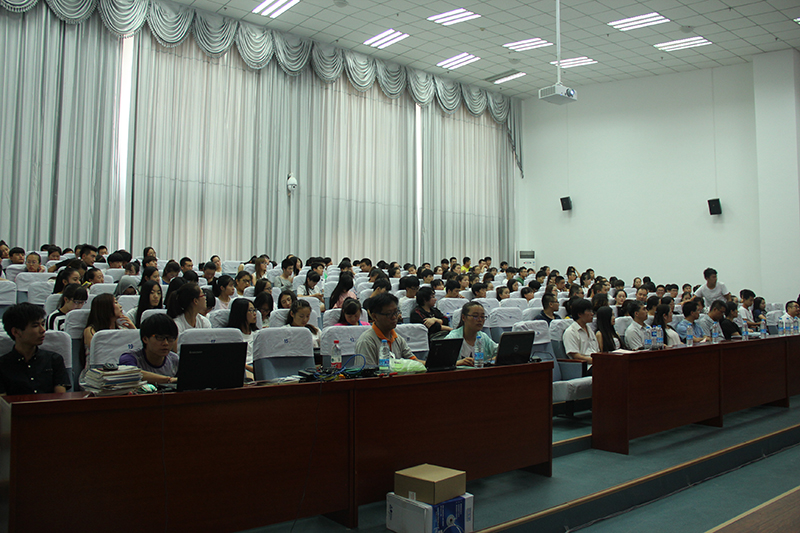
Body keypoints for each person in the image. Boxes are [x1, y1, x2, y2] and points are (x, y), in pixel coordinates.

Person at [0, 303, 71, 395]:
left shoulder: (54, 360)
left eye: (42, 324)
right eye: (35, 326)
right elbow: (3, 401)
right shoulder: (3, 365)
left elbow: (60, 399)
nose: (43, 330)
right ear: (16, 332)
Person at [82, 294, 136, 379]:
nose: (120, 306)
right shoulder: (91, 331)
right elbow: (102, 354)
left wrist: (133, 329)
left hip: (122, 371)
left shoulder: (122, 329)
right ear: (105, 307)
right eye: (116, 303)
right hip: (97, 374)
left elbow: (136, 349)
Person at [354, 293, 415, 365]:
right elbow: (366, 371)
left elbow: (414, 361)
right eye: (389, 314)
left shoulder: (398, 339)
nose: (394, 317)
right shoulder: (366, 342)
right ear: (374, 316)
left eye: (396, 312)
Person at [119, 314, 179, 385]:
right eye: (160, 338)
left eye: (170, 338)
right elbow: (132, 373)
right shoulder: (130, 358)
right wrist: (169, 380)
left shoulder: (174, 360)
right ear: (145, 339)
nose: (166, 343)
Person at [443, 301, 497, 366]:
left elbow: (499, 351)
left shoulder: (483, 337)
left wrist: (490, 361)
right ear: (463, 317)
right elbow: (440, 363)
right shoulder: (452, 338)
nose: (480, 320)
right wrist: (458, 363)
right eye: (475, 316)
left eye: (482, 317)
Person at [562, 298, 598, 364]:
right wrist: (596, 361)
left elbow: (597, 351)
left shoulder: (589, 329)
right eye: (589, 311)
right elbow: (576, 356)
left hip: (596, 363)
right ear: (580, 314)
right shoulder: (570, 332)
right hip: (585, 366)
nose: (592, 313)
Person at [228, 298, 258, 374]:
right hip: (242, 369)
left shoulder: (257, 334)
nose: (255, 313)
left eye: (254, 310)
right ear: (241, 313)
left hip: (257, 366)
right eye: (250, 310)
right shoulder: (232, 336)